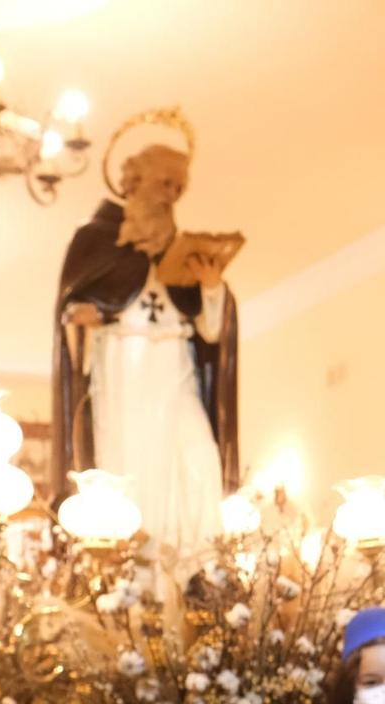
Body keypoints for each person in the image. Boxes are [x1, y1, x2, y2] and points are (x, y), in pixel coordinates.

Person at [51, 140, 240, 565]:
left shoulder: (182, 250)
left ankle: (197, 566)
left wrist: (210, 286)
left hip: (178, 373)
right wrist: (85, 315)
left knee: (200, 461)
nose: (171, 195)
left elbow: (210, 330)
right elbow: (71, 312)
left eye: (178, 188)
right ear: (135, 183)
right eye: (164, 184)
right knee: (136, 471)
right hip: (125, 376)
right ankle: (145, 567)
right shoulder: (96, 240)